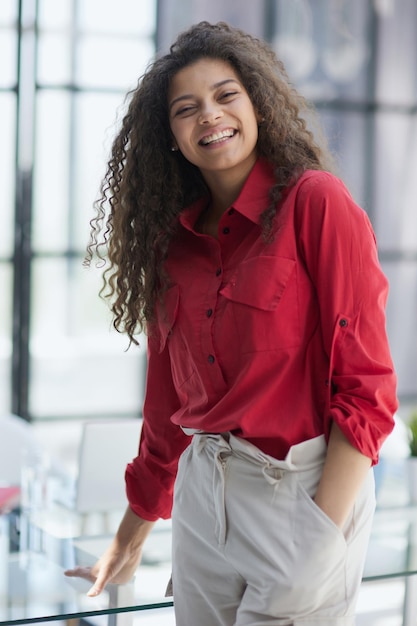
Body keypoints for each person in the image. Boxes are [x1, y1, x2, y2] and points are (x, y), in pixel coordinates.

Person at [65, 21, 398, 626]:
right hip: (202, 505)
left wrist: (320, 535)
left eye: (226, 95)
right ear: (170, 137)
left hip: (301, 497)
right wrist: (130, 536)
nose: (209, 117)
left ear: (258, 105)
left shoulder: (316, 205)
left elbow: (367, 392)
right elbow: (166, 410)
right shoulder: (172, 247)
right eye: (186, 109)